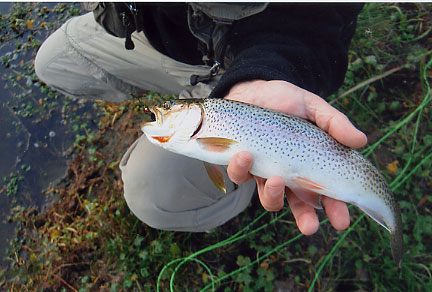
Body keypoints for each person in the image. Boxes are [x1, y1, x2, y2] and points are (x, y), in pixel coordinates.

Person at [35, 3, 367, 235]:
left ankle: (247, 189)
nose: (160, 114)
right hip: (156, 36)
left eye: (169, 110)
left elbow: (325, 18)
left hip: (251, 53)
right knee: (52, 62)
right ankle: (185, 82)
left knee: (149, 193)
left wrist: (267, 70)